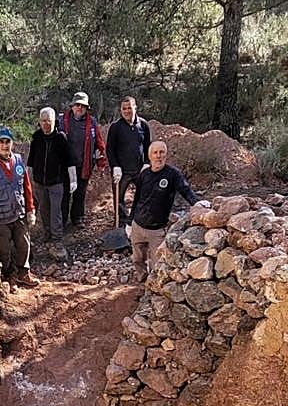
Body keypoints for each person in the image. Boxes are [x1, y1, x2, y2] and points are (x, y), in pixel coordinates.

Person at [127, 141, 209, 283]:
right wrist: (129, 222)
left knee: (157, 264)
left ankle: (151, 289)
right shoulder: (144, 175)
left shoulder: (173, 174)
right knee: (137, 258)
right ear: (150, 156)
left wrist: (196, 202)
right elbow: (137, 199)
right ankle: (141, 279)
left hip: (157, 230)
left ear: (166, 154)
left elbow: (185, 190)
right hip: (138, 226)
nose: (158, 156)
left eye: (161, 152)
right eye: (155, 153)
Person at [0, 126, 40, 287]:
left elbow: (27, 187)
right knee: (3, 249)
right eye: (2, 141)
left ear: (12, 143)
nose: (5, 145)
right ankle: (7, 276)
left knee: (23, 244)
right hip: (0, 218)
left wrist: (30, 209)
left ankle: (23, 273)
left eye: (8, 141)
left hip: (19, 214)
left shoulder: (19, 161)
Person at [26, 107, 77, 242]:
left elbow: (69, 160)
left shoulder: (61, 138)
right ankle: (47, 233)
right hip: (39, 182)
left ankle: (57, 239)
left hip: (56, 183)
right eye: (43, 121)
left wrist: (73, 180)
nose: (46, 124)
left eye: (49, 121)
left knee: (56, 213)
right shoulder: (36, 137)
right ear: (39, 121)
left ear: (54, 121)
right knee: (44, 211)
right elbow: (31, 160)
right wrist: (26, 180)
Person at [58, 91, 107, 229]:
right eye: (77, 105)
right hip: (65, 165)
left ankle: (77, 218)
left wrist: (101, 161)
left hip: (84, 163)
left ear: (86, 108)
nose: (79, 108)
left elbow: (99, 141)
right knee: (64, 194)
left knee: (80, 193)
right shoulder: (62, 120)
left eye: (83, 106)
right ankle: (62, 220)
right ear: (72, 106)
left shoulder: (91, 122)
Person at [106, 96, 152, 231]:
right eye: (124, 109)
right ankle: (121, 224)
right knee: (119, 199)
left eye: (129, 108)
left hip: (139, 170)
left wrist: (146, 163)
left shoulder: (143, 125)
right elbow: (110, 149)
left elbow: (148, 145)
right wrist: (115, 166)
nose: (127, 111)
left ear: (135, 108)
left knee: (143, 196)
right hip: (122, 172)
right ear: (121, 110)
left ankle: (136, 220)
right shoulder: (115, 127)